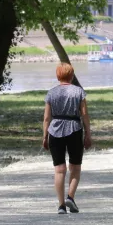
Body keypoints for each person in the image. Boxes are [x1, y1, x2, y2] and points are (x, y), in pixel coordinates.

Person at [42, 63, 92, 214]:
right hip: (75, 129)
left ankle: (61, 205)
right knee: (75, 166)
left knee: (59, 169)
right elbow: (84, 114)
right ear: (71, 75)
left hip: (55, 129)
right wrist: (88, 134)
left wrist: (45, 136)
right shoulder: (79, 92)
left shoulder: (51, 93)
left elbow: (46, 118)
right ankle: (70, 196)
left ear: (58, 76)